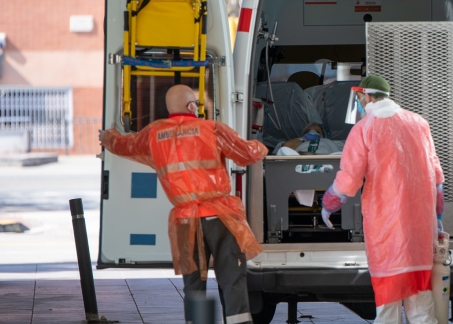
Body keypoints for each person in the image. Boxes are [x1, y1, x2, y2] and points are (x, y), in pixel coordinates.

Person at [99, 84, 267, 324]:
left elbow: (125, 145)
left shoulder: (154, 133)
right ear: (191, 106)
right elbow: (246, 153)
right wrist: (263, 145)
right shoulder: (211, 129)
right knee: (231, 281)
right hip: (220, 217)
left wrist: (107, 137)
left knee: (193, 285)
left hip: (185, 221)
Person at [320, 75, 445, 324]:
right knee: (422, 307)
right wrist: (438, 214)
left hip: (387, 228)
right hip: (422, 227)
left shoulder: (364, 129)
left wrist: (328, 204)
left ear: (366, 96)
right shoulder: (419, 123)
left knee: (387, 307)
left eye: (358, 97)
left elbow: (349, 178)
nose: (358, 102)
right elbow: (437, 175)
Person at [275, 122, 344, 155]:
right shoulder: (298, 142)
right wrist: (305, 139)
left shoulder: (331, 142)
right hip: (301, 161)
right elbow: (285, 147)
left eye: (317, 131)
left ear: (324, 135)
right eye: (308, 132)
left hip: (327, 162)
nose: (312, 132)